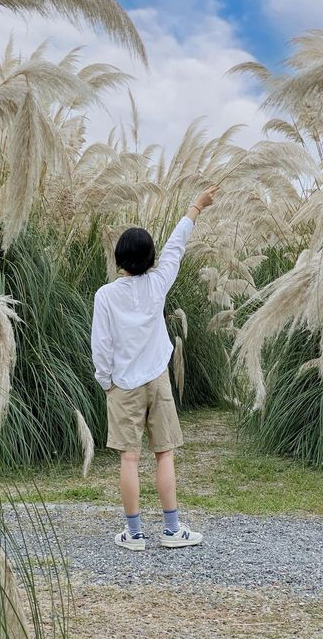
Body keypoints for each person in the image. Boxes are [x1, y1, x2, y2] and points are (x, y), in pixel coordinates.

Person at [91, 186, 219, 550]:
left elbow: (101, 344)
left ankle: (133, 534)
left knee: (129, 459)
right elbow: (176, 246)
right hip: (157, 380)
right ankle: (171, 529)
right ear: (150, 258)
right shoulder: (158, 284)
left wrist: (106, 382)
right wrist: (195, 206)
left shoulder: (106, 295)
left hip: (123, 385)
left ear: (118, 257)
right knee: (164, 454)